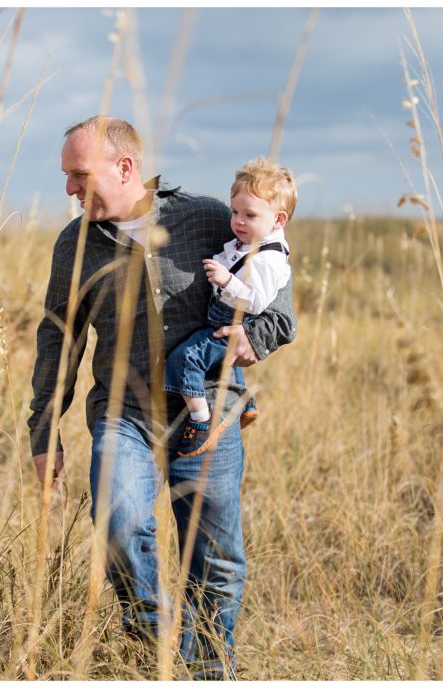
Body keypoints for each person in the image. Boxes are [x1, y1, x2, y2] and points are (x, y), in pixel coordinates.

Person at [27, 116, 296, 679]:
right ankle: (162, 641)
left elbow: (278, 305)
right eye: (67, 177)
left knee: (215, 562)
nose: (69, 189)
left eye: (79, 175)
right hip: (123, 415)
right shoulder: (74, 244)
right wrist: (44, 430)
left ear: (124, 168)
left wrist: (257, 337)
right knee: (119, 525)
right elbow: (60, 335)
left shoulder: (203, 217)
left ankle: (207, 673)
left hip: (210, 416)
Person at [163, 157, 295, 458]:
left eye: (249, 215)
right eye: (235, 211)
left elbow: (258, 301)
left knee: (184, 360)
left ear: (278, 220)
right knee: (223, 363)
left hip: (231, 319)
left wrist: (226, 281)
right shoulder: (249, 241)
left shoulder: (267, 257)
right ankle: (243, 403)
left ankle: (201, 422)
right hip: (222, 314)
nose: (237, 221)